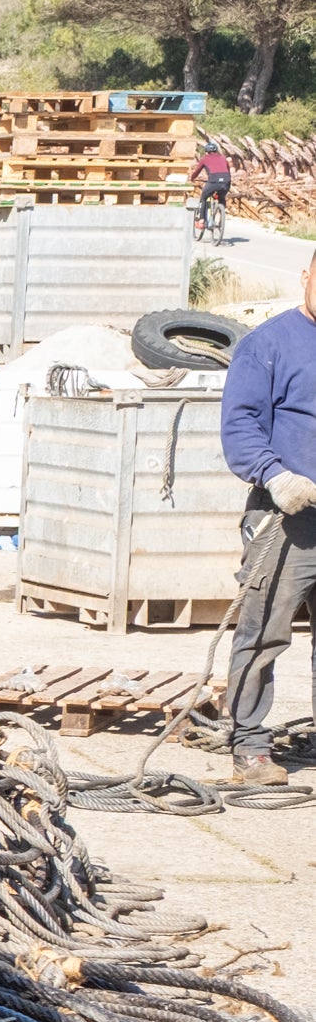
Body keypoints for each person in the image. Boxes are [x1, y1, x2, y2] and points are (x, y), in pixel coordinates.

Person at [217, 257, 316, 785]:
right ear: (305, 275)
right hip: (287, 518)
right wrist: (275, 476)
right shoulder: (268, 345)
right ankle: (250, 746)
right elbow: (240, 424)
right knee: (263, 633)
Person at [194, 147, 233, 237]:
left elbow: (197, 171)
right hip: (226, 181)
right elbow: (228, 170)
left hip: (213, 181)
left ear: (207, 152)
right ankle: (221, 217)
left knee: (204, 198)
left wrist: (192, 178)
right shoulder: (223, 158)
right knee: (221, 197)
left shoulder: (205, 159)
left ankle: (202, 220)